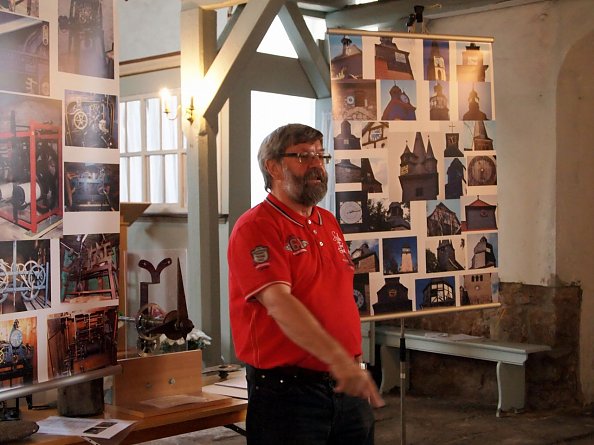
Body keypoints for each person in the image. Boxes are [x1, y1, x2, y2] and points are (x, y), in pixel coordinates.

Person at [228, 123, 384, 445]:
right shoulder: (257, 227)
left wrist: (347, 366)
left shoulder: (327, 221)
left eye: (320, 155)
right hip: (289, 395)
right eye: (303, 156)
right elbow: (280, 304)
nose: (316, 164)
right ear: (273, 167)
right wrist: (339, 361)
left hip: (346, 386)